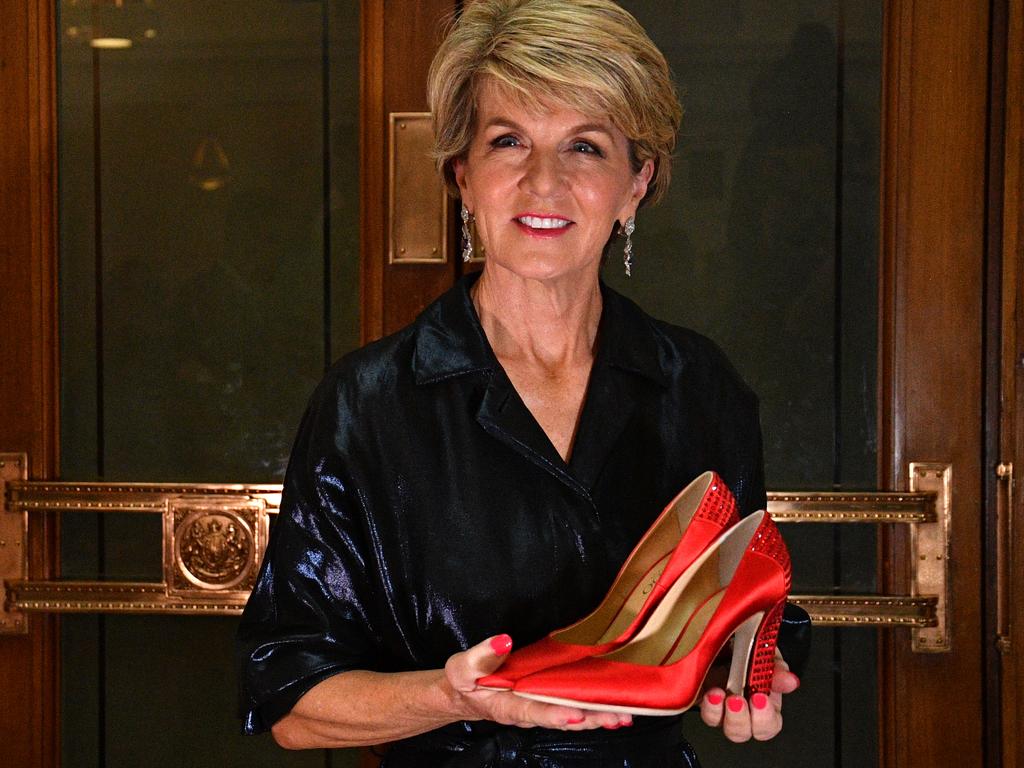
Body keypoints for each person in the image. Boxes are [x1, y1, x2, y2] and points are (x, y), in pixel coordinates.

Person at [237, 1, 806, 764]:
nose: (545, 181)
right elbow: (290, 704)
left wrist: (750, 675)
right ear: (464, 178)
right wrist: (447, 696)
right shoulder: (367, 405)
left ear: (636, 185)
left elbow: (746, 583)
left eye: (585, 147)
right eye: (510, 142)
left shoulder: (699, 386)